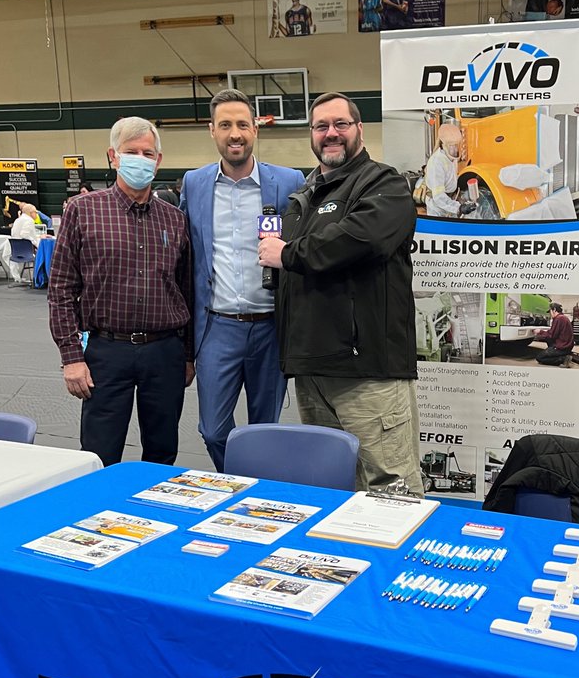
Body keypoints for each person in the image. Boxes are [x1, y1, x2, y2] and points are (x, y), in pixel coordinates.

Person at [258, 91, 424, 495]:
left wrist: (288, 253)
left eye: (340, 124)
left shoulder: (385, 184)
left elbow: (360, 240)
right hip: (311, 370)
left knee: (389, 486)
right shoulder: (302, 198)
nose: (331, 134)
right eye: (321, 126)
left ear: (359, 130)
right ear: (312, 136)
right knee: (328, 485)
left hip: (366, 371)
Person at [48, 116, 194, 467]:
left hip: (164, 351)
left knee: (162, 451)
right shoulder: (83, 211)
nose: (140, 159)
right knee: (100, 451)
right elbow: (61, 289)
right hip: (105, 350)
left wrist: (188, 355)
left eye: (148, 153)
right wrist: (71, 356)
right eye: (131, 152)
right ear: (113, 156)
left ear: (158, 161)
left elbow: (186, 289)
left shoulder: (175, 219)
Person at [180, 90, 304, 470]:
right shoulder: (195, 184)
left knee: (265, 430)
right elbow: (187, 256)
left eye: (242, 125)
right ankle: (235, 478)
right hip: (217, 327)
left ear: (255, 130)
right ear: (212, 131)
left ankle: (257, 495)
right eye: (225, 125)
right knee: (213, 429)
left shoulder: (288, 181)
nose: (235, 134)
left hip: (271, 327)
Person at [424, 122, 477, 218]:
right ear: (443, 144)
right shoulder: (437, 162)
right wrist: (458, 208)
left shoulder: (451, 159)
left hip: (448, 201)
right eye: (451, 146)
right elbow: (438, 197)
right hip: (437, 207)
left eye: (457, 145)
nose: (455, 149)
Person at [0, 202, 50, 282]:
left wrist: (38, 237)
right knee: (45, 251)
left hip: (16, 251)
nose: (36, 214)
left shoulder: (17, 220)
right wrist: (35, 241)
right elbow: (24, 235)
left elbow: (17, 234)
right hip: (26, 251)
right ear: (30, 213)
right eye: (35, 212)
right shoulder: (29, 221)